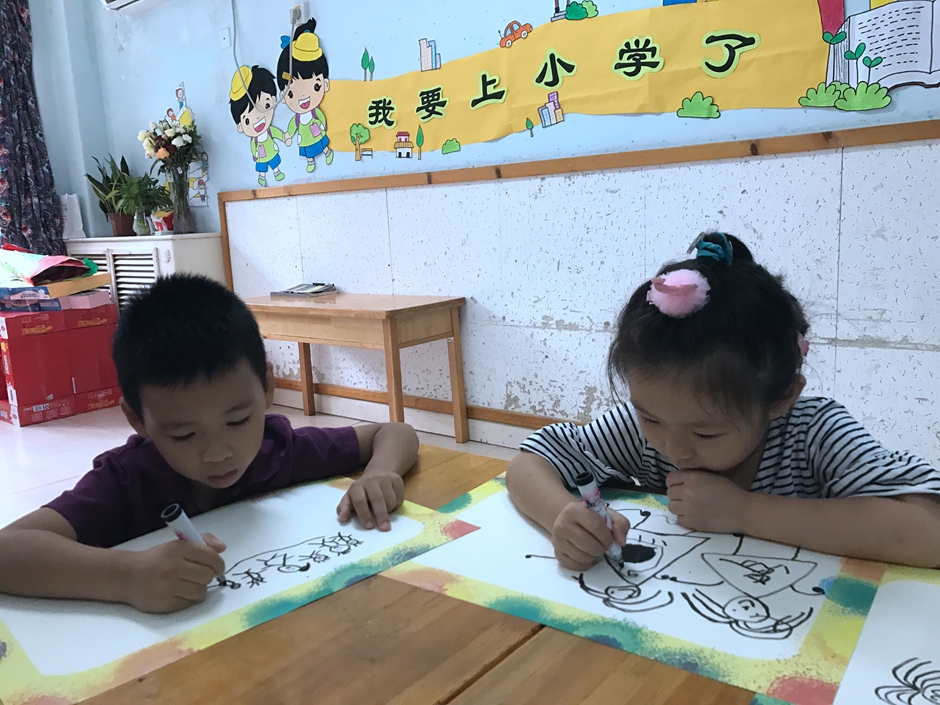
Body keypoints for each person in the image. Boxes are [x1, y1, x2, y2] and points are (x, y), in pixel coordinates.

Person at [506, 233, 940, 571]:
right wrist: (563, 516)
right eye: (650, 418)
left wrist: (744, 511)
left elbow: (928, 529)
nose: (674, 448)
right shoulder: (643, 432)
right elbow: (529, 462)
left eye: (706, 433)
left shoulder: (813, 433)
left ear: (781, 398)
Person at [0, 274, 419, 613]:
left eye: (237, 420)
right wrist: (126, 576)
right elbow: (8, 551)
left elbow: (394, 432)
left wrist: (380, 472)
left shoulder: (278, 448)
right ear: (137, 420)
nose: (219, 452)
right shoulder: (127, 480)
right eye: (184, 434)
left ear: (267, 389)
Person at [276, 18, 334, 173]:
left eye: (316, 86)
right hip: (305, 138)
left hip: (316, 132)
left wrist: (322, 125)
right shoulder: (297, 119)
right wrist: (288, 135)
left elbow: (320, 116)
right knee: (307, 151)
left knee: (322, 144)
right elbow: (292, 126)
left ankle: (327, 152)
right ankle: (310, 162)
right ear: (283, 96)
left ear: (325, 84)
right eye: (290, 93)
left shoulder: (315, 112)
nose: (302, 95)